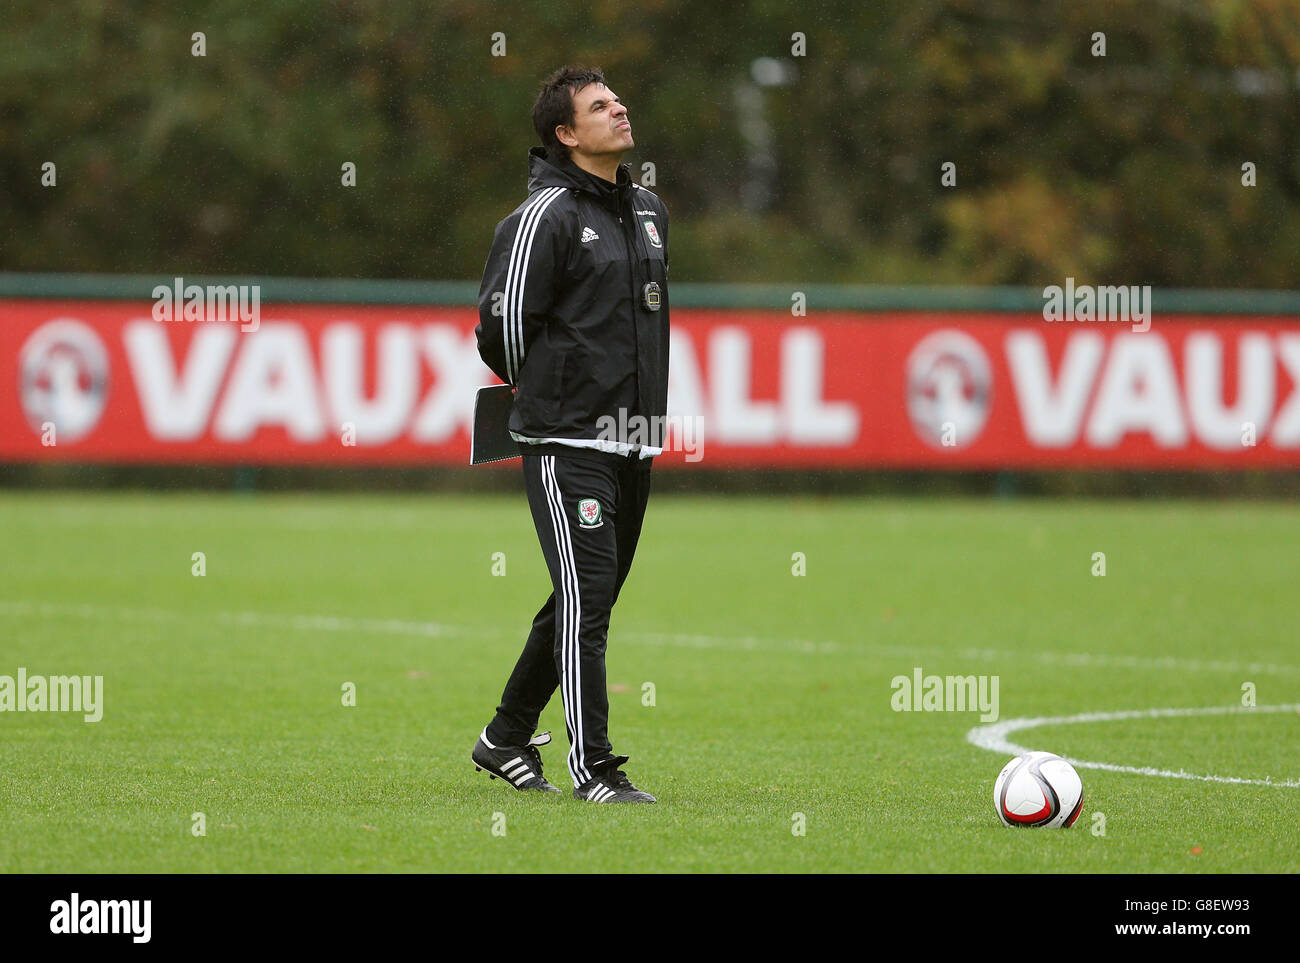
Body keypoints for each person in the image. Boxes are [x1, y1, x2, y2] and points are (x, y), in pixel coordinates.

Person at [471, 65, 671, 803]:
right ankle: (597, 770)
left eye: (618, 98)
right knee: (585, 600)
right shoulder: (545, 215)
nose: (619, 108)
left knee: (583, 600)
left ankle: (504, 736)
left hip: (632, 439)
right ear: (565, 133)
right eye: (599, 106)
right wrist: (552, 400)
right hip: (568, 440)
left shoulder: (648, 208)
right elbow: (502, 326)